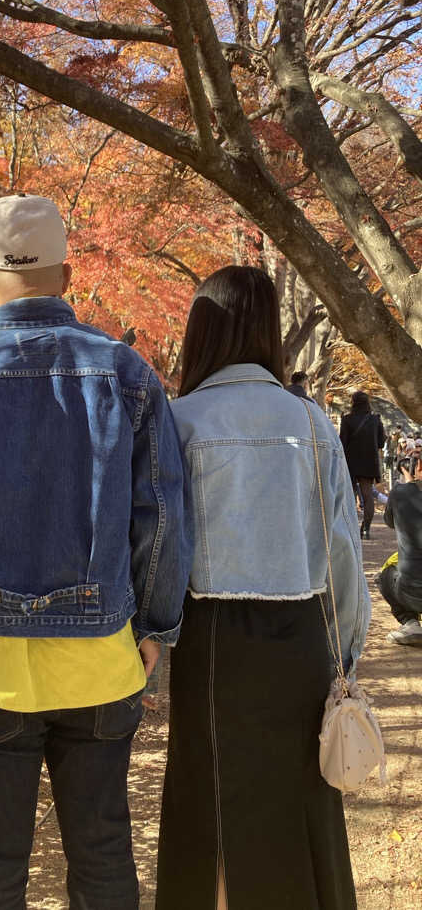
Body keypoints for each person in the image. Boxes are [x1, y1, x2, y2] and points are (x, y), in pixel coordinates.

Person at [0, 194, 192, 910]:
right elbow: (157, 516)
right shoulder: (127, 375)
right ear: (68, 275)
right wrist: (155, 629)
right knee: (102, 854)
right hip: (100, 665)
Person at [156, 265, 369, 910]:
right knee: (300, 804)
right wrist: (345, 657)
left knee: (210, 805)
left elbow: (160, 547)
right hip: (301, 638)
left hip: (211, 639)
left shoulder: (179, 420)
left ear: (201, 331)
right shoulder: (311, 423)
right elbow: (343, 555)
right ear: (271, 331)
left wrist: (153, 643)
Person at [379, 456, 422, 646]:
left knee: (384, 575)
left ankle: (410, 622)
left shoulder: (399, 493)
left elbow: (389, 521)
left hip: (412, 591)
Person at [339, 390, 385, 539]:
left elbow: (342, 443)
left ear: (353, 403)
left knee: (349, 496)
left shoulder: (347, 419)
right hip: (369, 461)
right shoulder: (375, 420)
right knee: (367, 495)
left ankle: (349, 528)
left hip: (351, 461)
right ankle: (366, 529)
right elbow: (381, 442)